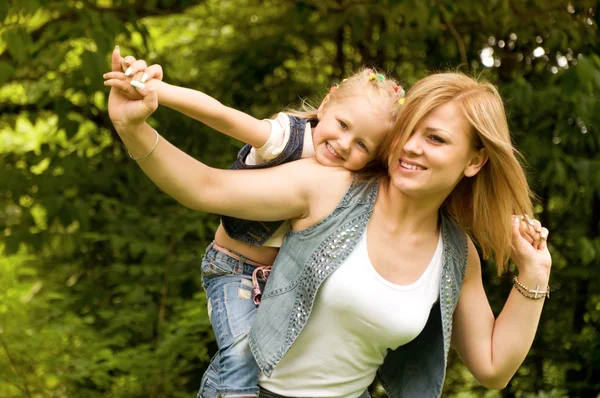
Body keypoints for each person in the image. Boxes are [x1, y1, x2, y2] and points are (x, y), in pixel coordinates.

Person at [104, 49, 551, 398]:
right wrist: (133, 128)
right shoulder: (333, 187)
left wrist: (533, 274)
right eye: (409, 131)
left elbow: (494, 368)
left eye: (435, 139)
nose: (412, 147)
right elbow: (204, 188)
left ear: (474, 160)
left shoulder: (456, 254)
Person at [103, 47, 405, 397]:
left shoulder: (353, 182)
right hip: (233, 268)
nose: (343, 144)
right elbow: (222, 115)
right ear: (326, 105)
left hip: (278, 283)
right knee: (242, 356)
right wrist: (155, 89)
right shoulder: (284, 139)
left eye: (362, 145)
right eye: (342, 125)